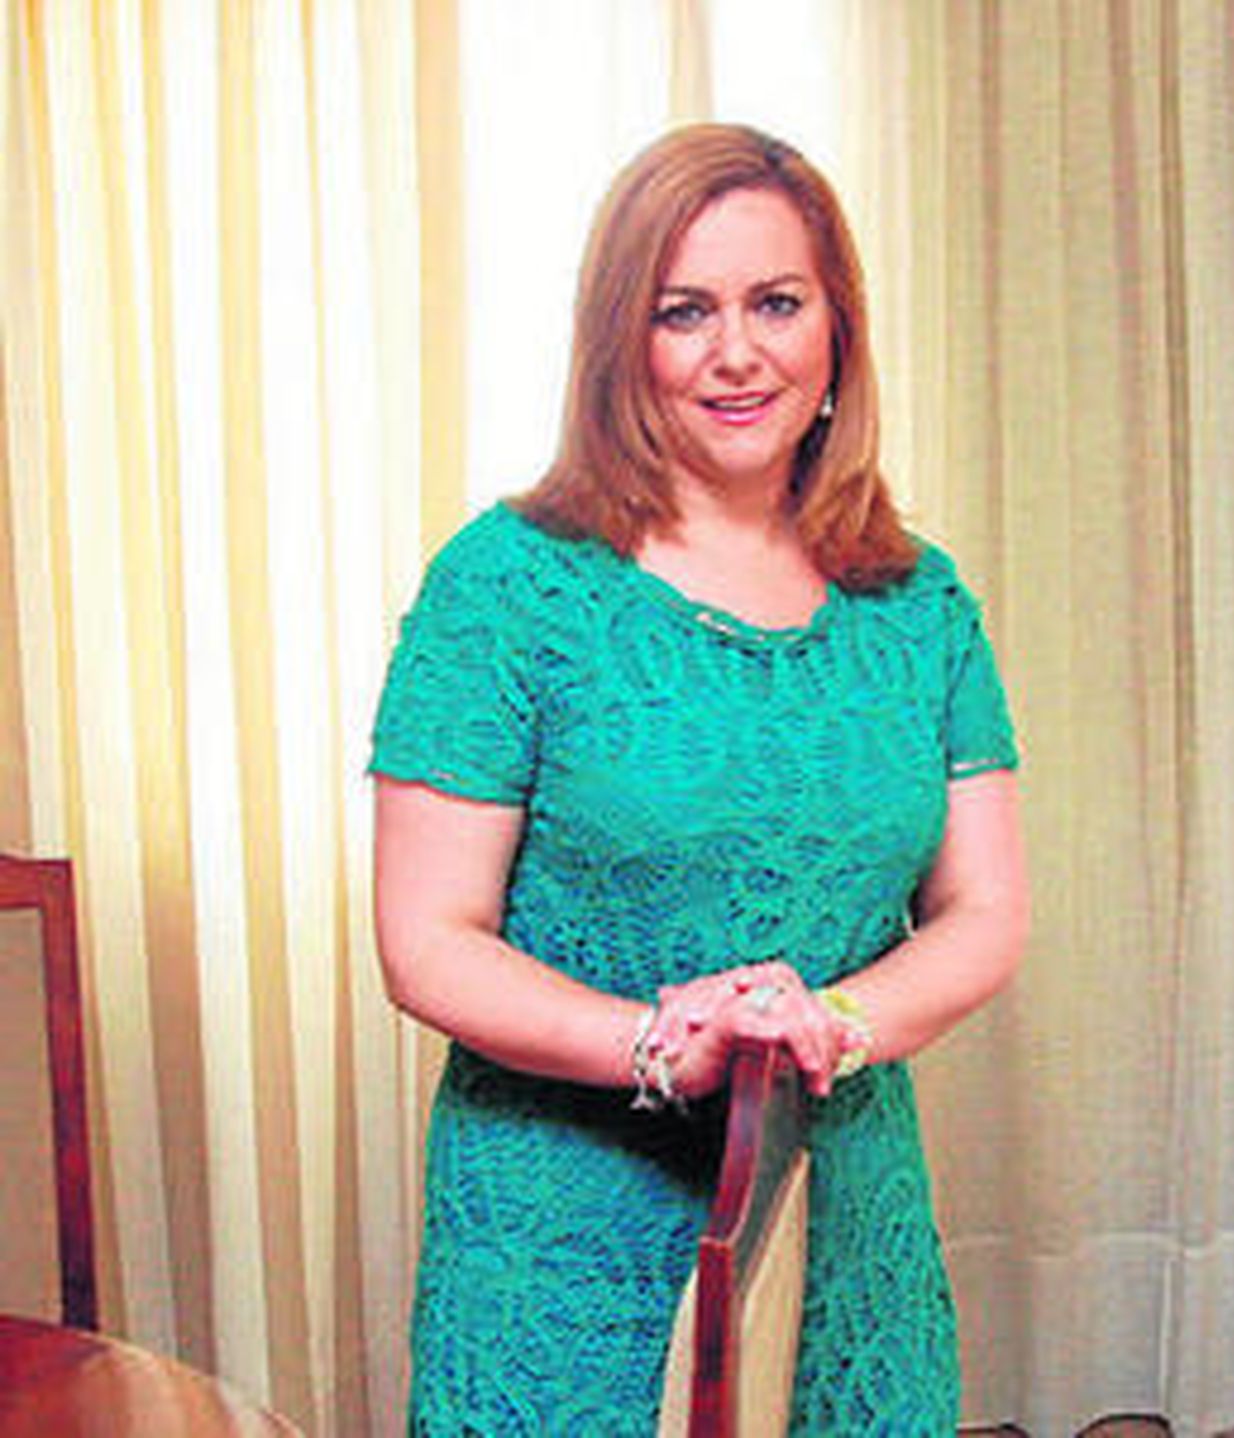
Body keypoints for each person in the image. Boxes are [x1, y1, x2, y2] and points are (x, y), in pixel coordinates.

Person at [371, 122, 1028, 1435]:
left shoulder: (919, 601)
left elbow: (986, 908)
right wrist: (662, 1043)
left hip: (839, 1215)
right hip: (559, 1238)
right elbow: (426, 941)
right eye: (685, 311)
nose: (738, 352)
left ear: (836, 329)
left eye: (777, 303)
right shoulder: (504, 588)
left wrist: (831, 1021)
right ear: (623, 340)